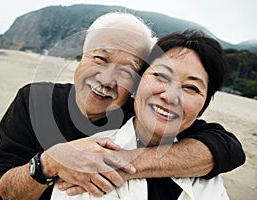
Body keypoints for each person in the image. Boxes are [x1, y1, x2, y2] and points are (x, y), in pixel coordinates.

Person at [0, 12, 245, 200]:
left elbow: (226, 147)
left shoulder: (144, 113)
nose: (107, 79)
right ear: (81, 56)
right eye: (100, 58)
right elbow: (1, 190)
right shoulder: (35, 100)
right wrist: (49, 163)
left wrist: (115, 161)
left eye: (128, 70)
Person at [50, 30, 232, 200]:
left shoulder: (207, 174)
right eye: (161, 76)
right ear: (136, 84)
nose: (170, 96)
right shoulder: (85, 161)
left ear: (203, 104)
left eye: (191, 88)